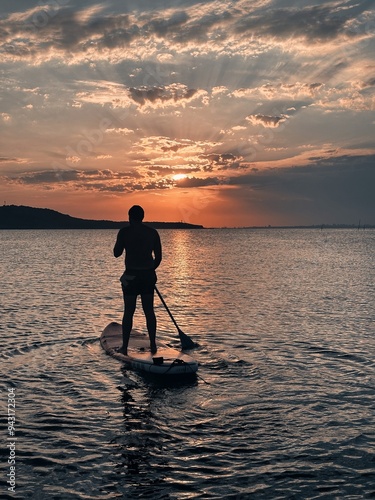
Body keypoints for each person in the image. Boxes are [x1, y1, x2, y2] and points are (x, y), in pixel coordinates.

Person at [113, 205, 162, 355]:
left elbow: (116, 253)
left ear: (129, 217)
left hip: (131, 276)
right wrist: (150, 270)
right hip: (147, 276)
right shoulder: (152, 233)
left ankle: (124, 346)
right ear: (143, 217)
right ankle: (153, 345)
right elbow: (158, 258)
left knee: (129, 311)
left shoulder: (124, 232)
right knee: (149, 311)